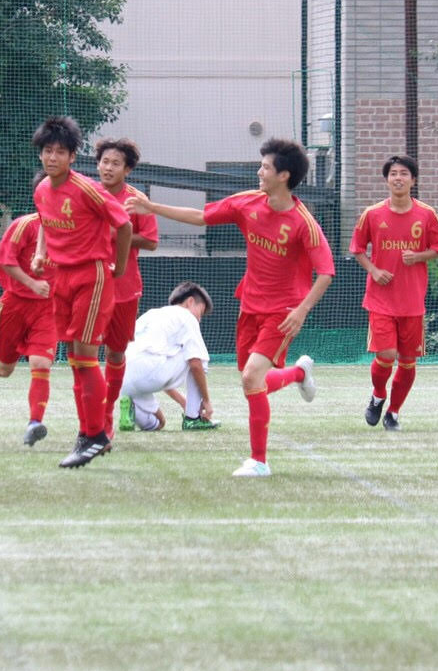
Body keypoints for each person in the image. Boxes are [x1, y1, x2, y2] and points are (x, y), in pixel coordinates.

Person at [129, 137, 333, 478]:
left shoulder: (303, 223)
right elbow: (200, 216)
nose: (259, 172)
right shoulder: (247, 203)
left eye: (265, 167)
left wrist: (301, 312)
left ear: (284, 175)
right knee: (252, 380)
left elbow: (326, 272)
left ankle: (259, 461)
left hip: (282, 313)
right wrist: (152, 208)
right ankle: (298, 373)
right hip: (249, 305)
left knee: (253, 377)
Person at [31, 116, 133, 469]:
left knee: (87, 357)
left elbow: (124, 224)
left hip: (91, 276)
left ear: (73, 156)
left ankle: (95, 434)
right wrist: (41, 251)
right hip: (61, 280)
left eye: (60, 152)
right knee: (75, 360)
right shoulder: (42, 189)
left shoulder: (87, 189)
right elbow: (44, 220)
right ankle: (88, 434)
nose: (52, 158)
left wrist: (117, 267)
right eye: (47, 151)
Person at [349, 155, 438, 431]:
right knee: (387, 354)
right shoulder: (373, 213)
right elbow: (356, 248)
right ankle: (378, 395)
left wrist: (418, 256)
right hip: (381, 299)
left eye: (404, 173)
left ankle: (393, 412)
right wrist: (374, 270)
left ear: (413, 180)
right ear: (387, 180)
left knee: (407, 361)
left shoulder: (426, 214)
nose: (398, 178)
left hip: (412, 301)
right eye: (393, 174)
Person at [0, 206, 59, 447]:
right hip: (15, 305)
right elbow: (5, 262)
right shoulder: (25, 225)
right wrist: (32, 283)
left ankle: (34, 423)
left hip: (48, 308)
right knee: (6, 368)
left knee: (41, 363)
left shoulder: (73, 230)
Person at [94, 138, 158, 439]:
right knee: (84, 350)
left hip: (124, 287)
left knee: (116, 353)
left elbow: (152, 242)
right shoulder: (87, 195)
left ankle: (111, 407)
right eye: (104, 161)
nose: (108, 168)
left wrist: (120, 234)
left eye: (115, 163)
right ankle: (93, 417)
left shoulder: (136, 200)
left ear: (127, 169)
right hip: (89, 285)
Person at [120, 281, 219, 433]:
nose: (199, 319)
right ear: (190, 301)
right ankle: (192, 419)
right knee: (197, 356)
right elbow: (195, 364)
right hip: (150, 370)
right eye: (200, 312)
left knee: (158, 424)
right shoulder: (186, 317)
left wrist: (183, 402)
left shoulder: (152, 313)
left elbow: (155, 367)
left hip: (125, 377)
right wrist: (206, 402)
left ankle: (128, 406)